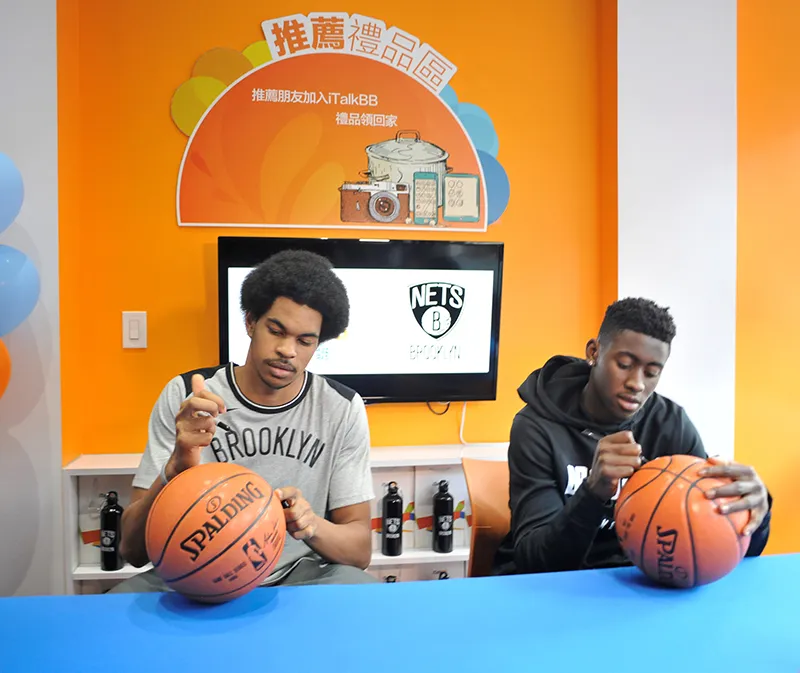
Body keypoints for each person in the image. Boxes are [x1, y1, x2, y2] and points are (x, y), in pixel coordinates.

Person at [112, 249, 376, 592]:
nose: (288, 350)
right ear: (250, 322)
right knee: (118, 603)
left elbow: (360, 552)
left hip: (299, 578)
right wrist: (174, 468)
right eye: (276, 331)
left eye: (304, 341)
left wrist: (311, 524)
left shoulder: (341, 407)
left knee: (365, 592)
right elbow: (131, 549)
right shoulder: (187, 396)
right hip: (195, 575)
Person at [493, 297, 772, 576]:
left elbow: (724, 546)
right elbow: (537, 562)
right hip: (558, 581)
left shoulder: (670, 424)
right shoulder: (536, 427)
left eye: (651, 373)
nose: (637, 384)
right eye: (625, 364)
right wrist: (593, 492)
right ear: (594, 352)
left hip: (639, 576)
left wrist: (754, 513)